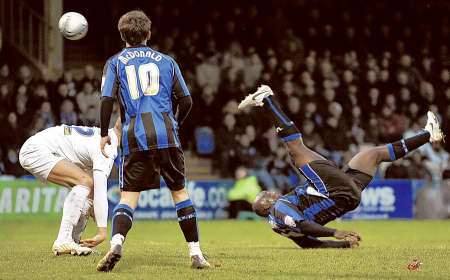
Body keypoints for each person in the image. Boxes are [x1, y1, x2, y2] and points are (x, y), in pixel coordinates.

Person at [238, 85, 444, 249]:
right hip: (333, 193)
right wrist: (335, 233)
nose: (270, 192)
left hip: (344, 197)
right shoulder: (279, 209)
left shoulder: (279, 227)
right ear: (266, 207)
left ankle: (428, 134)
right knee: (295, 151)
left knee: (373, 155)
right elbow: (303, 225)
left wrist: (342, 245)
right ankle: (267, 98)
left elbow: (308, 243)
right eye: (266, 194)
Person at [97, 10, 209, 271]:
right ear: (148, 33)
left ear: (122, 34)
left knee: (128, 197)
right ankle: (196, 255)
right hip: (166, 135)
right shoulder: (167, 61)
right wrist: (175, 124)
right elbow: (186, 100)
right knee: (180, 194)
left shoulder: (115, 62)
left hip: (135, 136)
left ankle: (116, 243)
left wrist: (104, 133)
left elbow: (106, 100)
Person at [18, 122, 120, 255]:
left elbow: (95, 191)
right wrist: (102, 232)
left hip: (38, 146)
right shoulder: (107, 146)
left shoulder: (102, 135)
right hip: (36, 150)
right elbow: (101, 192)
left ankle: (74, 242)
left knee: (89, 186)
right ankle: (63, 239)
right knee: (85, 182)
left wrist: (93, 206)